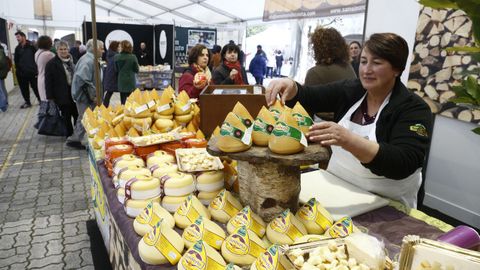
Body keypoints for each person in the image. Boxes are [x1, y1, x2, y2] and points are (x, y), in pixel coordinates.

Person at [265, 33, 433, 208]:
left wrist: (348, 139)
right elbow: (309, 95)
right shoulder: (352, 90)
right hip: (337, 189)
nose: (366, 70)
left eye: (376, 63)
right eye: (363, 61)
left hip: (387, 202)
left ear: (397, 69)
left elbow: (403, 162)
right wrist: (291, 87)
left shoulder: (413, 109)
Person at [66, 39, 104, 150]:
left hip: (86, 96)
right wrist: (94, 96)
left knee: (84, 117)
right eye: (101, 48)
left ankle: (76, 138)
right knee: (85, 118)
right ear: (95, 48)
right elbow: (83, 80)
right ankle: (79, 140)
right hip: (85, 97)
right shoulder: (88, 61)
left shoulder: (90, 59)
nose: (103, 51)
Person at [45, 41, 78, 136]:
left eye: (65, 49)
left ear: (68, 49)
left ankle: (77, 134)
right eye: (61, 49)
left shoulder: (74, 60)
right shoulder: (51, 64)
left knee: (77, 115)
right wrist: (50, 97)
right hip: (61, 94)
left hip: (75, 93)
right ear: (57, 50)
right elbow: (48, 82)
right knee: (66, 116)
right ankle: (69, 135)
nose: (63, 51)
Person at [14, 31, 40, 108]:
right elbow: (16, 61)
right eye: (16, 37)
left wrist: (37, 69)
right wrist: (18, 70)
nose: (17, 39)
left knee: (36, 87)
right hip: (21, 73)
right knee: (24, 89)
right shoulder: (17, 48)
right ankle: (27, 102)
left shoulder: (32, 46)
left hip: (32, 72)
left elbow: (37, 58)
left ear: (23, 37)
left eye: (18, 37)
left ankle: (40, 100)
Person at [114, 40, 139, 104]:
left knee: (123, 101)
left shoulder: (116, 57)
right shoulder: (133, 57)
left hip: (121, 81)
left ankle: (123, 112)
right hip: (131, 81)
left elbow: (116, 69)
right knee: (131, 101)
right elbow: (137, 70)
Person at [34, 36, 55, 102]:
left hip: (40, 78)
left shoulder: (37, 52)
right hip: (48, 80)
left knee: (44, 99)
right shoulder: (48, 54)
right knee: (50, 101)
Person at [103, 41, 120, 107]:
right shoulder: (116, 56)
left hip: (109, 76)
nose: (119, 48)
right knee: (110, 92)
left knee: (109, 93)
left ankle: (104, 107)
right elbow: (116, 68)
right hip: (113, 76)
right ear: (115, 47)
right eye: (118, 47)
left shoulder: (110, 54)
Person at [0, 44, 10, 112]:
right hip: (2, 73)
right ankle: (5, 103)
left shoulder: (0, 51)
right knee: (2, 88)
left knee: (1, 90)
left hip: (0, 73)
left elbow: (1, 63)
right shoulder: (1, 50)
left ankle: (3, 106)